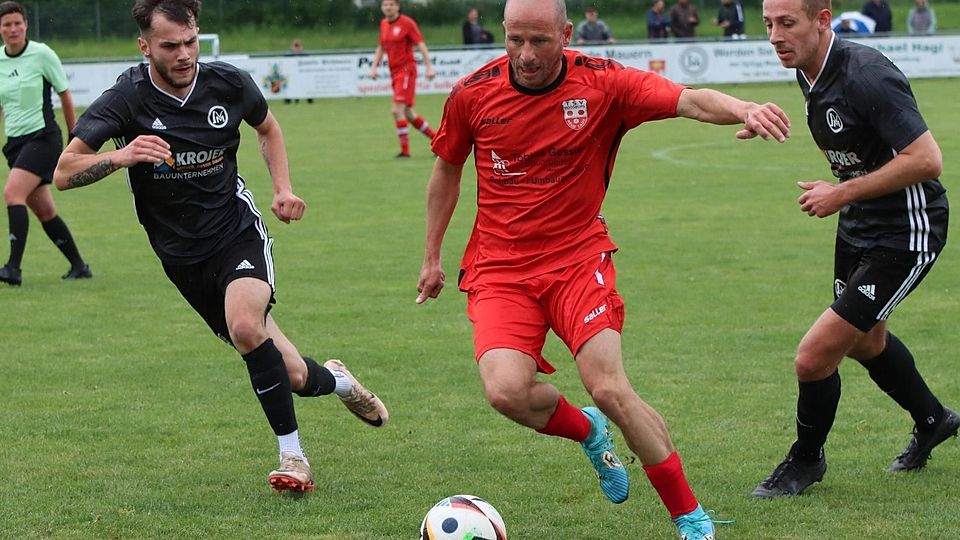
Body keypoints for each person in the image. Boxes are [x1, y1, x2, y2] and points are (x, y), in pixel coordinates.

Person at [416, 0, 790, 536]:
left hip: (577, 259)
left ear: (565, 34)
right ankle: (589, 434)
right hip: (500, 269)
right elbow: (447, 171)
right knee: (506, 392)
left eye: (539, 42)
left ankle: (692, 519)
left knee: (609, 387)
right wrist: (432, 257)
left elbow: (689, 99)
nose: (525, 55)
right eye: (514, 40)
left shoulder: (604, 83)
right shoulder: (473, 94)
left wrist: (744, 108)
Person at [53, 0, 389, 494]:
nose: (185, 54)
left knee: (245, 324)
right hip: (182, 259)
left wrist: (282, 188)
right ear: (145, 46)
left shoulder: (227, 83)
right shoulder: (125, 99)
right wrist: (123, 154)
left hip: (235, 233)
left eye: (190, 41)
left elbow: (268, 128)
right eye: (170, 45)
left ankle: (293, 457)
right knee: (294, 374)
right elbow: (63, 172)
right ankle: (338, 380)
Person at [754, 0, 958, 499]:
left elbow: (927, 160)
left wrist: (840, 191)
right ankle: (933, 420)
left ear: (822, 20)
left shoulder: (866, 74)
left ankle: (805, 461)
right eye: (768, 25)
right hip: (861, 224)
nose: (775, 36)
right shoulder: (809, 70)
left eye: (787, 23)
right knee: (866, 341)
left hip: (906, 232)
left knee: (814, 356)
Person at [0, 1, 90, 286]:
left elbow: (64, 94)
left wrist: (75, 136)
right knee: (44, 211)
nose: (13, 29)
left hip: (43, 138)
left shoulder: (42, 54)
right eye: (6, 24)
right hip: (15, 143)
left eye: (17, 23)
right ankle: (79, 266)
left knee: (12, 194)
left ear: (26, 25)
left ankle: (13, 269)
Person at [369, 0, 437, 158]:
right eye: (385, 5)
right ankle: (437, 140)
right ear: (381, 8)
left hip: (406, 71)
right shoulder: (384, 24)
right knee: (408, 113)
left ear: (397, 6)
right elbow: (381, 47)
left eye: (391, 5)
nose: (388, 8)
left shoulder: (407, 23)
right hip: (394, 72)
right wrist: (374, 66)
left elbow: (420, 44)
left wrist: (429, 66)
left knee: (396, 110)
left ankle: (405, 152)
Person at [284, 39, 313, 104]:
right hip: (292, 75)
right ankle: (288, 100)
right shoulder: (288, 55)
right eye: (295, 46)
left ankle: (309, 99)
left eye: (298, 46)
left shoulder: (305, 55)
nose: (296, 49)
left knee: (306, 85)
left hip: (302, 76)